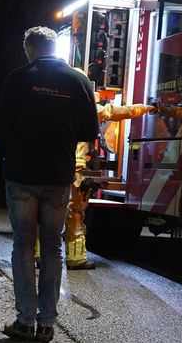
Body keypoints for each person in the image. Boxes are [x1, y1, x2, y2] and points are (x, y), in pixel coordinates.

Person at [0, 26, 98, 343]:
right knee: (53, 246)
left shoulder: (18, 78)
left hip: (22, 174)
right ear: (55, 47)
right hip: (58, 176)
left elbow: (0, 126)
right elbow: (89, 128)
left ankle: (25, 321)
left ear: (29, 49)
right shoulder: (79, 80)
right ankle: (47, 323)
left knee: (23, 244)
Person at [66, 93, 155, 269]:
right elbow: (118, 111)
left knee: (45, 213)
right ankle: (76, 259)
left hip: (51, 167)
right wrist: (147, 108)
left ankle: (38, 257)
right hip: (74, 169)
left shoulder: (52, 106)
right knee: (75, 213)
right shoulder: (89, 108)